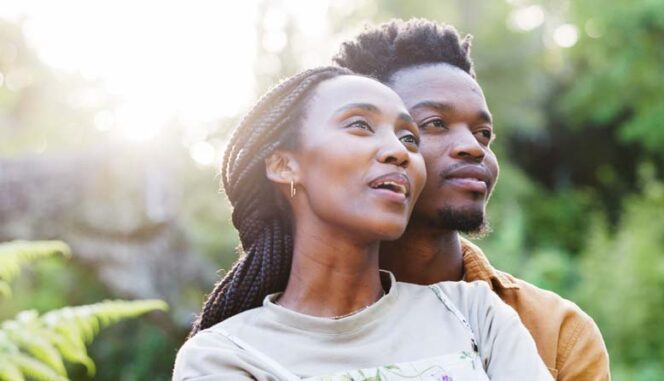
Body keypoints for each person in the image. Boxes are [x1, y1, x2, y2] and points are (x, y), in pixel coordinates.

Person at [173, 66, 552, 381]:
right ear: (285, 164)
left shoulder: (475, 314)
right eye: (359, 125)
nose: (398, 151)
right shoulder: (225, 358)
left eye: (409, 137)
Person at [335, 19, 611, 380]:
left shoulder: (555, 331)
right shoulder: (285, 324)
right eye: (434, 123)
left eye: (483, 134)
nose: (473, 147)